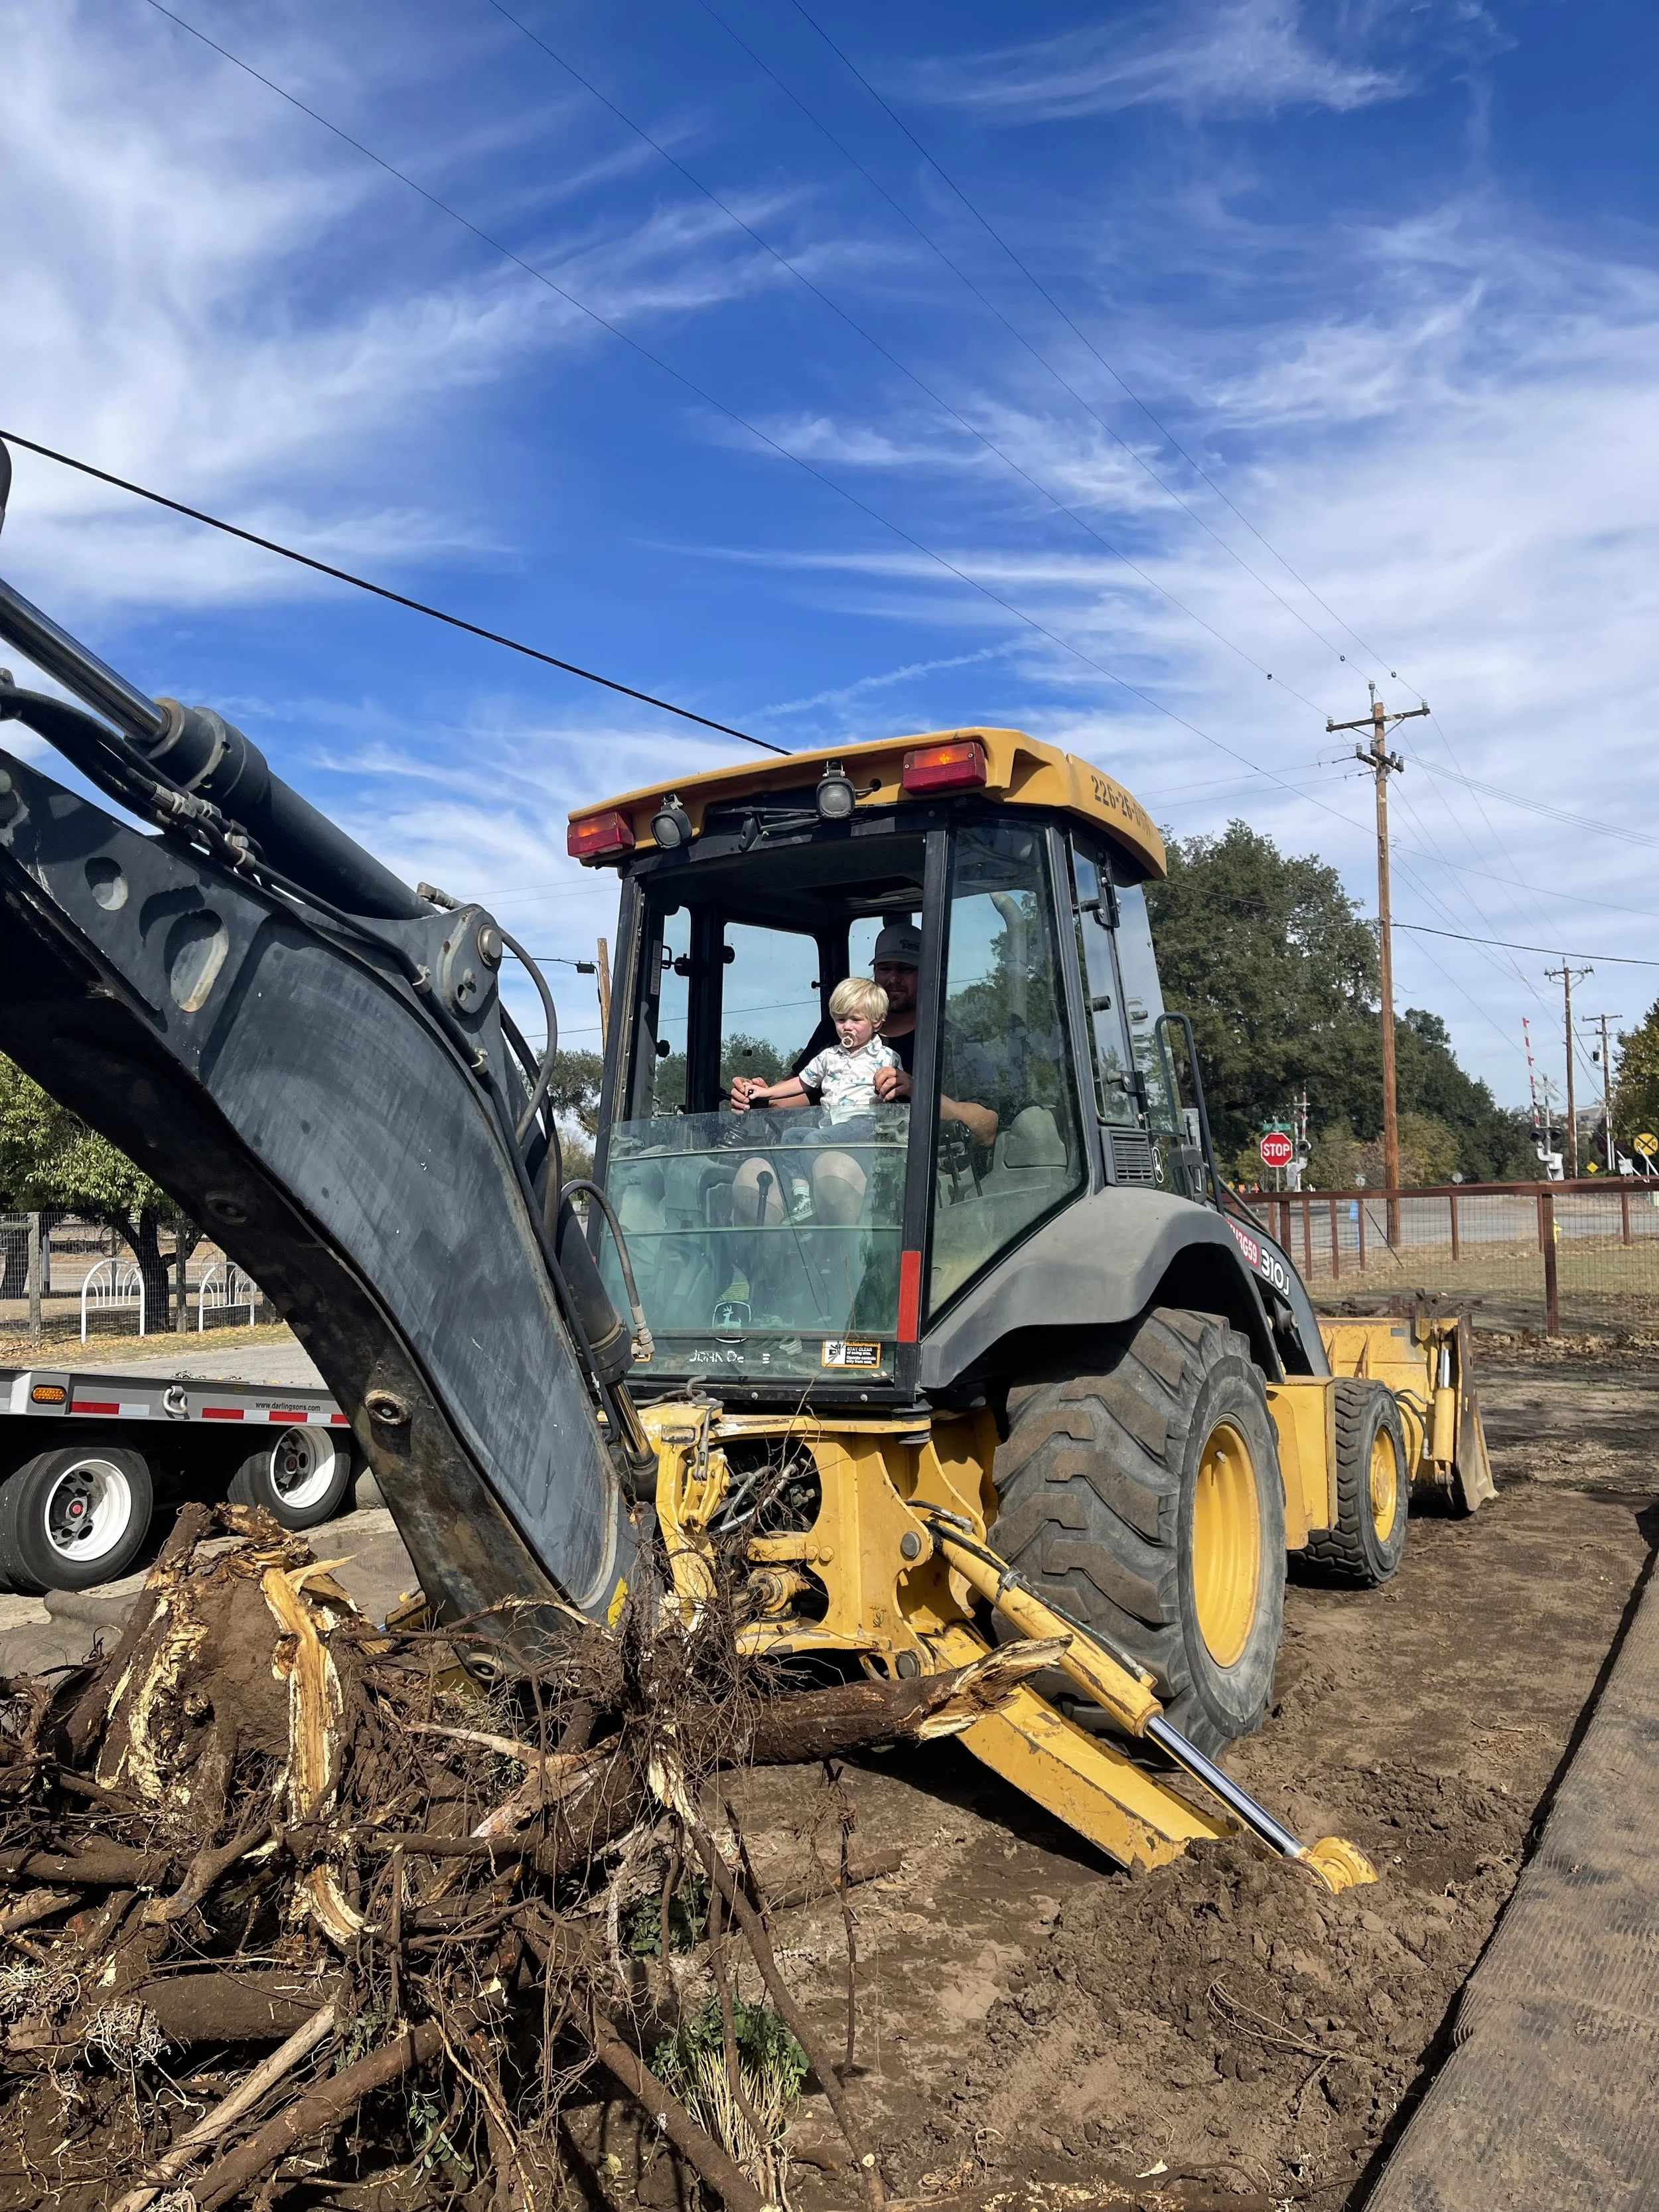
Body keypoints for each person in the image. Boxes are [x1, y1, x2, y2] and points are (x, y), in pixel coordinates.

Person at [868, 921, 999, 1148]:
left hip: (929, 1174)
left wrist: (917, 1092)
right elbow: (801, 1089)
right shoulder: (841, 1029)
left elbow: (987, 1127)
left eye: (906, 968)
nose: (893, 979)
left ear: (926, 974)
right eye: (884, 968)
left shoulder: (949, 1042)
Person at [730, 977, 899, 1126]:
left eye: (856, 1019)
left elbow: (899, 1097)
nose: (847, 1026)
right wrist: (766, 1094)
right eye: (840, 1019)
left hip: (864, 1126)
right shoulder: (828, 1056)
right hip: (829, 1125)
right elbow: (803, 1082)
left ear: (876, 1021)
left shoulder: (887, 1058)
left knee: (816, 1140)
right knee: (793, 1137)